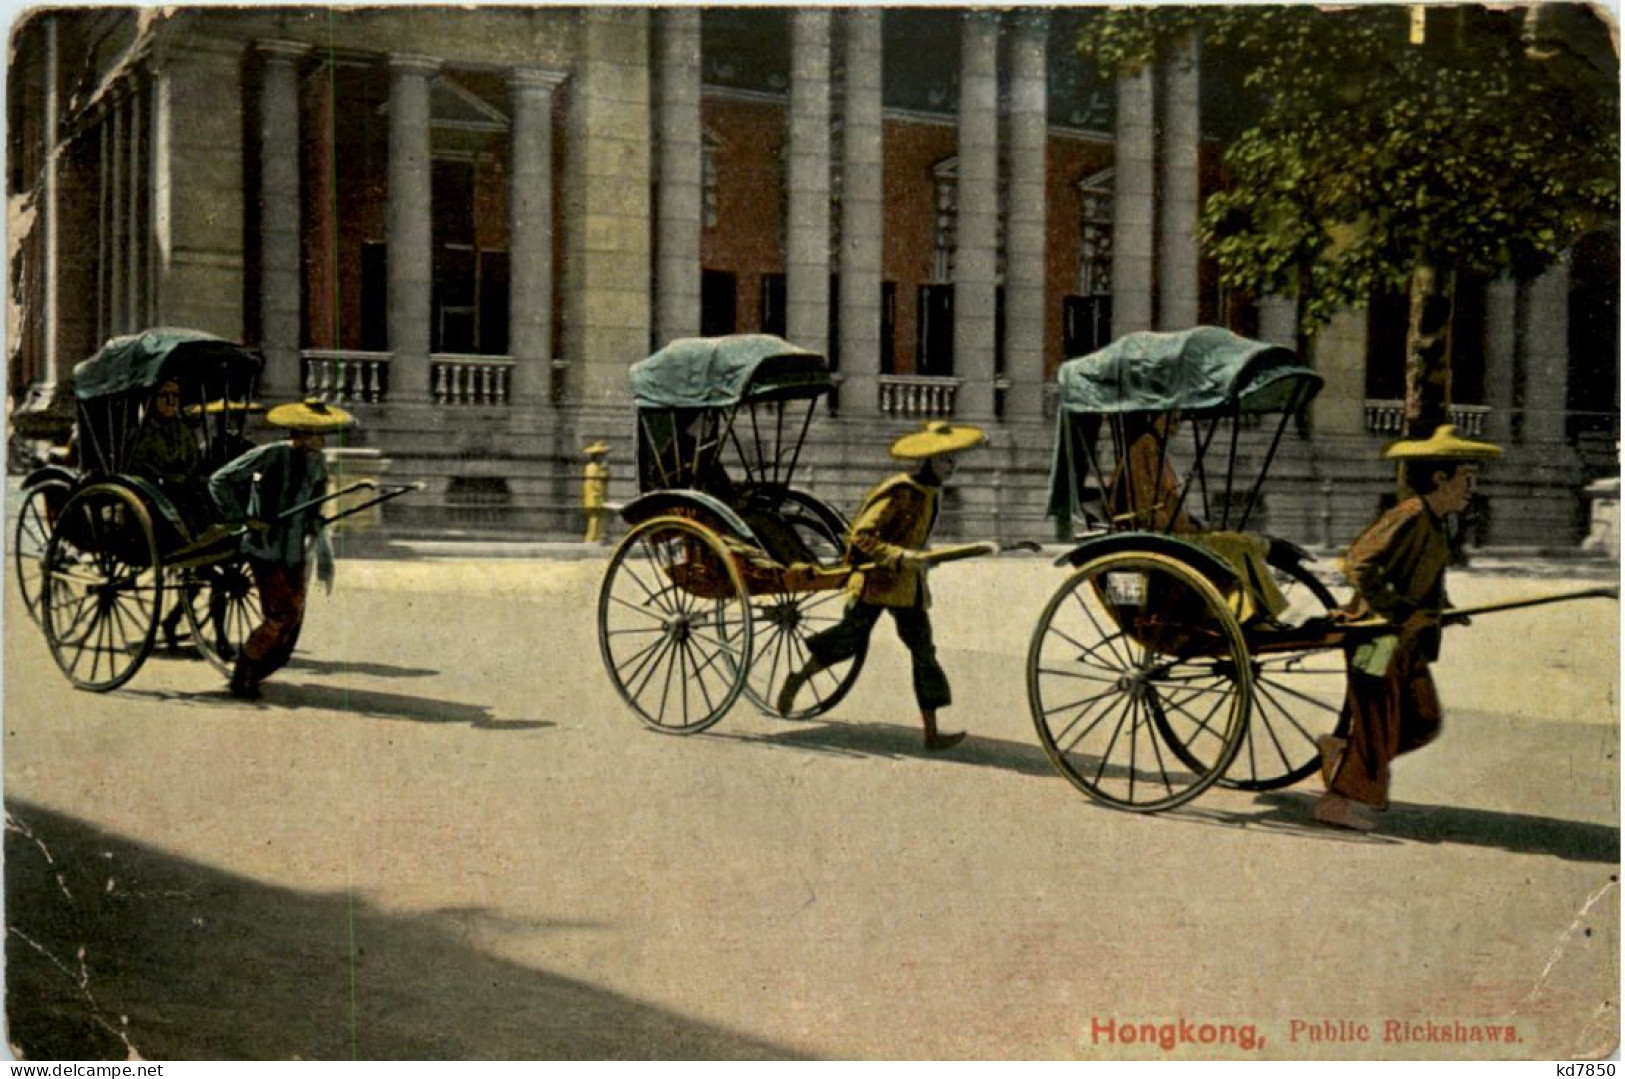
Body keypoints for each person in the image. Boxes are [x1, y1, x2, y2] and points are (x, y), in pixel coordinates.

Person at [1314, 424, 1501, 832]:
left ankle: (1343, 754)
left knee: (1423, 720)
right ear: (1440, 478)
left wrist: (1444, 611)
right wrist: (1398, 612)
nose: (1472, 487)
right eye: (1466, 478)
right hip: (1375, 637)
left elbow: (1422, 579)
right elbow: (1359, 562)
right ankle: (1337, 801)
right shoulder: (1411, 515)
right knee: (1378, 722)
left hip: (1404, 639)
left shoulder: (1437, 524)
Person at [776, 419, 984, 751]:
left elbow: (914, 539)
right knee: (848, 641)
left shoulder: (931, 493)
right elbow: (862, 537)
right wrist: (899, 555)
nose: (952, 466)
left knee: (923, 653)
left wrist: (923, 558)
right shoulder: (900, 490)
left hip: (908, 587)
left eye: (955, 460)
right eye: (947, 460)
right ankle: (798, 679)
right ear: (929, 460)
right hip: (875, 582)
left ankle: (931, 732)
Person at [208, 398, 355, 699]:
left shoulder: (317, 464)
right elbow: (219, 480)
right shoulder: (272, 454)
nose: (321, 439)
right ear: (299, 432)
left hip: (293, 550)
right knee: (280, 614)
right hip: (265, 546)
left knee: (292, 616)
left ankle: (260, 667)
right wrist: (244, 518)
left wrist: (316, 521)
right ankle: (243, 674)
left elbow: (315, 501)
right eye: (316, 433)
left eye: (323, 434)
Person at [582, 441, 610, 544]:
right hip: (594, 496)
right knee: (594, 518)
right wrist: (597, 494)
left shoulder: (598, 467)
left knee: (599, 518)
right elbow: (594, 483)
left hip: (599, 496)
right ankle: (591, 538)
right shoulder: (592, 467)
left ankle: (598, 537)